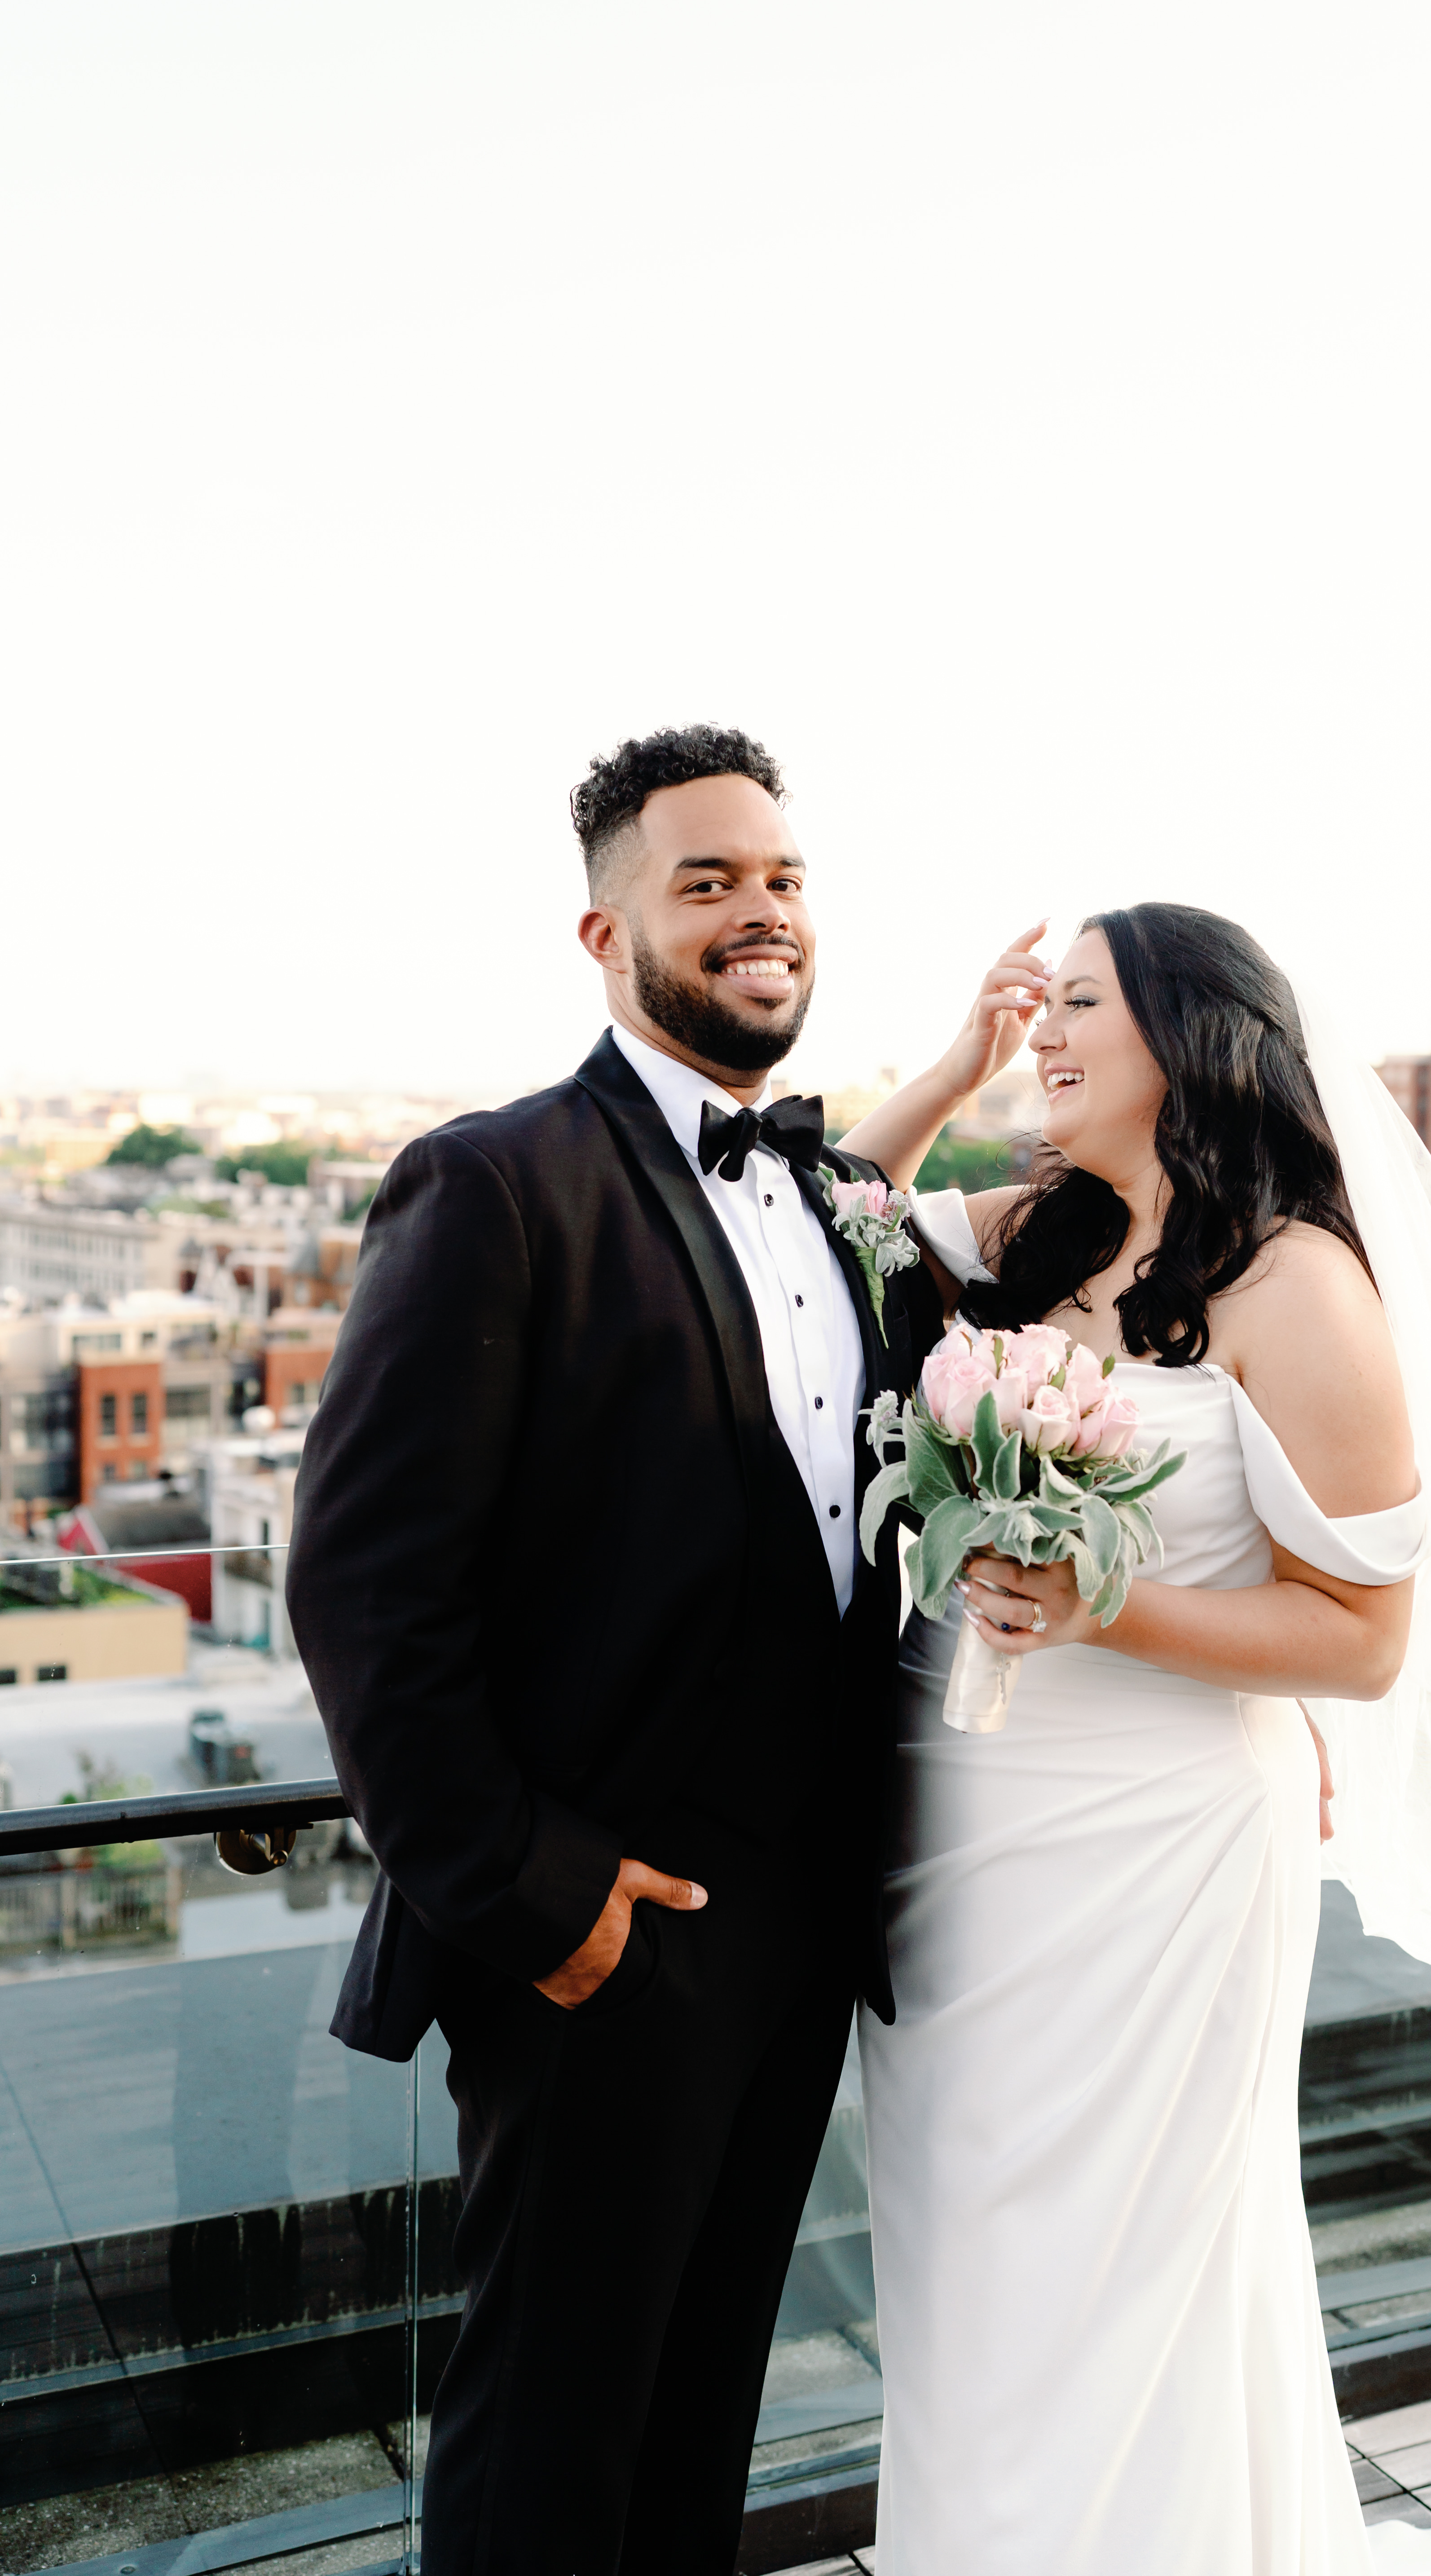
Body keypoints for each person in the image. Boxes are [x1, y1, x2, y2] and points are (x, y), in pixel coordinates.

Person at [284, 724, 1040, 2576]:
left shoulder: (825, 1198)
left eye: (781, 879)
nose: (758, 911)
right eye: (705, 883)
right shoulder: (492, 1187)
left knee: (703, 2418)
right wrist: (538, 1900)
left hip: (798, 1943)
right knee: (549, 2437)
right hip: (596, 1938)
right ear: (604, 933)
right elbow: (363, 1588)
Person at [842, 903, 1431, 2575]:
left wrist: (1099, 1607)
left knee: (1133, 2262)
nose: (1047, 1026)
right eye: (1040, 999)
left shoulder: (1294, 1282)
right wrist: (951, 1068)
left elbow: (1363, 1644)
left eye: (1084, 1003)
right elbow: (820, 1215)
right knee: (964, 2254)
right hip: (960, 1835)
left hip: (1158, 1845)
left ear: (1190, 1036)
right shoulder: (1031, 1234)